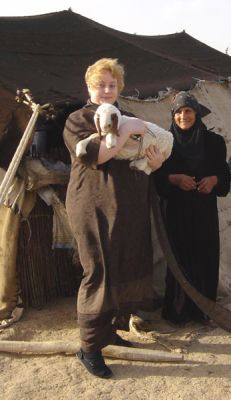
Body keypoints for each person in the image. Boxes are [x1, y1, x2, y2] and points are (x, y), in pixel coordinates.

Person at [63, 58, 164, 378]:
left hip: (128, 206)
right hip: (93, 206)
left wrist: (156, 161)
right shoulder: (78, 120)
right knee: (99, 271)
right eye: (100, 84)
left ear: (119, 87)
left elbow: (141, 156)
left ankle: (110, 331)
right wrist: (127, 131)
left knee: (125, 266)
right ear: (89, 87)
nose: (106, 90)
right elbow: (98, 154)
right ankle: (89, 346)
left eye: (112, 84)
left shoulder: (129, 116)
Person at [154, 91, 230, 326]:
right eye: (178, 112)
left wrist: (214, 180)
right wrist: (174, 179)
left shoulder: (214, 142)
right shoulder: (164, 142)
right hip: (175, 211)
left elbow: (224, 174)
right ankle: (178, 310)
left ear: (197, 114)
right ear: (173, 115)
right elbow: (156, 178)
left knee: (204, 257)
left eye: (188, 111)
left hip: (203, 211)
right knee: (179, 258)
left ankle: (202, 310)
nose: (183, 116)